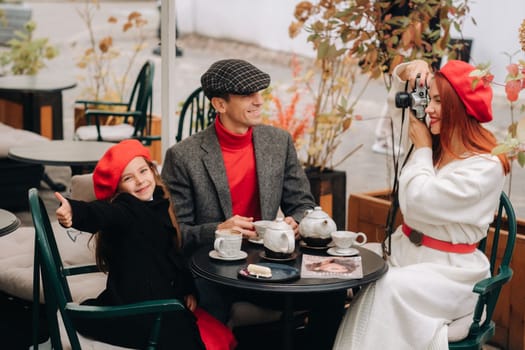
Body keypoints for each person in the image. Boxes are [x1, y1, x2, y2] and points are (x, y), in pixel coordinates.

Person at [161, 59, 346, 349]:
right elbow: (176, 234)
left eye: (259, 92)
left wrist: (295, 222)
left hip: (270, 265)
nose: (259, 101)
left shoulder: (278, 142)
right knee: (211, 305)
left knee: (334, 292)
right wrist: (220, 229)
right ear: (219, 105)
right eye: (248, 95)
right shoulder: (183, 157)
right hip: (213, 272)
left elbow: (302, 204)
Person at [332, 59, 510, 349]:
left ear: (460, 107)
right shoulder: (438, 144)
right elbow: (398, 99)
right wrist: (414, 67)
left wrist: (424, 148)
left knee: (386, 285)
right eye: (430, 98)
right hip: (406, 252)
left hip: (450, 273)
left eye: (440, 101)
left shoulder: (484, 166)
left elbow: (416, 202)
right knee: (338, 264)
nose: (429, 109)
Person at [55, 139, 236, 350]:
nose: (140, 181)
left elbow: (172, 255)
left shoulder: (158, 203)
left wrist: (187, 288)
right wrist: (74, 212)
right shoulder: (127, 209)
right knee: (186, 337)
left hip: (158, 300)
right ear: (119, 189)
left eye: (143, 171)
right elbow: (102, 213)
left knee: (203, 325)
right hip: (138, 309)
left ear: (152, 170)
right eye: (128, 178)